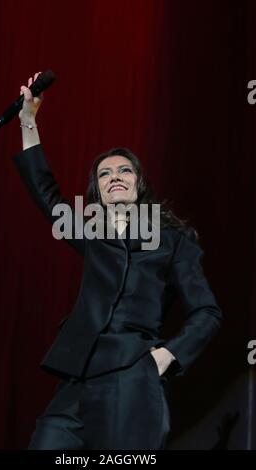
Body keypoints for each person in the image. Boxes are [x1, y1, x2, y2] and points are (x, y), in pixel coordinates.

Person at [12, 72, 222, 450]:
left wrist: (166, 356)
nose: (114, 177)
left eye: (124, 170)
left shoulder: (174, 241)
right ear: (99, 192)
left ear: (139, 183)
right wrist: (29, 120)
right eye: (104, 174)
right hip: (78, 376)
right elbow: (46, 193)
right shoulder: (93, 234)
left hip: (133, 373)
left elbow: (207, 311)